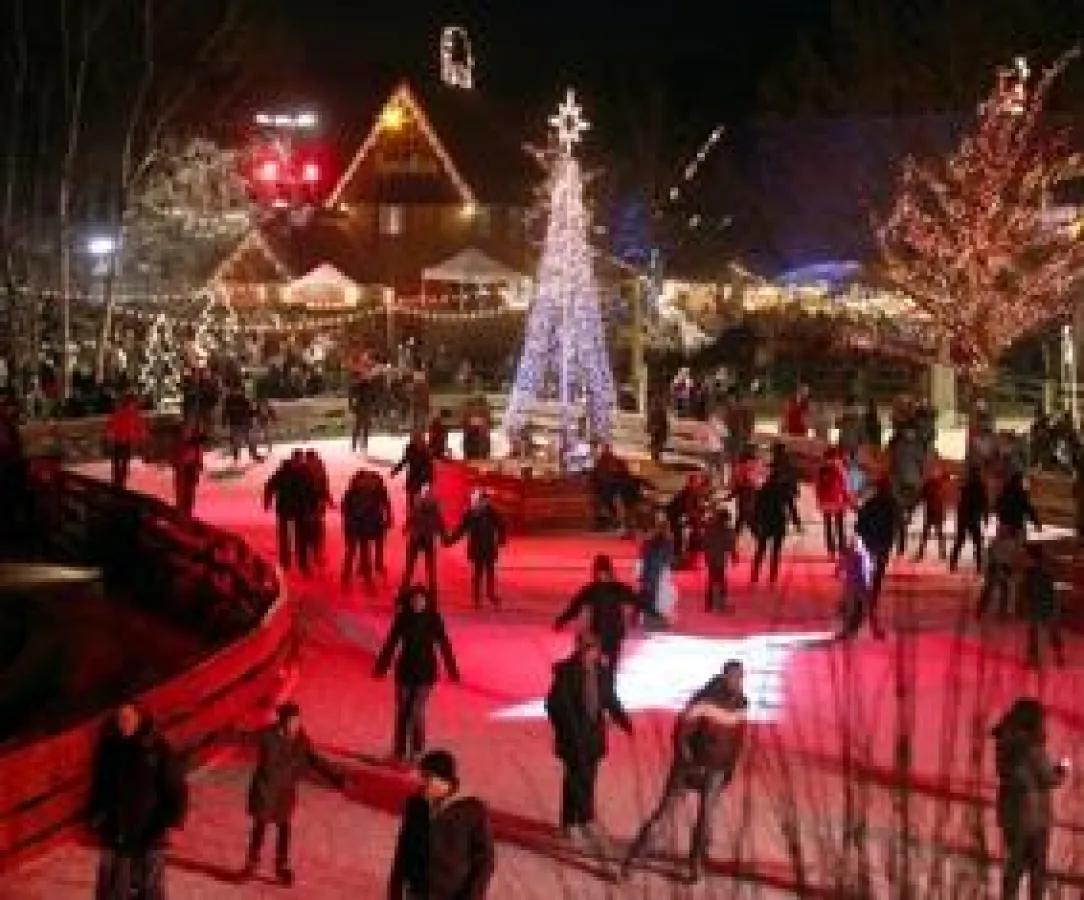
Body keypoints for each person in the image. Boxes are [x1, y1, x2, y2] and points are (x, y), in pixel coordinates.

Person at [620, 660, 748, 885]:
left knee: (706, 819)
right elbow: (681, 734)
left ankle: (696, 864)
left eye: (740, 677)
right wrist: (688, 761)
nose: (737, 681)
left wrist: (729, 769)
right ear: (724, 676)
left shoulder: (741, 703)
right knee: (665, 814)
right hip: (689, 768)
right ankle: (634, 859)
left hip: (717, 770)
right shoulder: (704, 699)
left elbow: (738, 740)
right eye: (733, 677)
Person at [88, 703, 187, 900]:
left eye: (128, 718)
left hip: (149, 831)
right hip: (114, 830)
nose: (123, 723)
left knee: (149, 888)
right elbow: (99, 785)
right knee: (112, 888)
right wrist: (95, 814)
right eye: (120, 718)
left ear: (140, 718)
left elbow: (176, 788)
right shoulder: (109, 748)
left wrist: (169, 821)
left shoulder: (157, 749)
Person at [545, 632, 632, 856]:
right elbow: (555, 705)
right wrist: (567, 730)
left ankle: (584, 818)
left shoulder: (602, 673)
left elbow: (609, 698)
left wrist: (623, 719)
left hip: (593, 737)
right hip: (573, 737)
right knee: (575, 778)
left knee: (588, 778)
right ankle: (572, 822)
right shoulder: (566, 673)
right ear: (578, 649)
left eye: (592, 649)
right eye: (584, 649)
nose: (588, 653)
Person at [241, 703, 347, 885]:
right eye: (292, 721)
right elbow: (243, 738)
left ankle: (282, 864)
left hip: (285, 791)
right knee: (260, 826)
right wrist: (215, 734)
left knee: (284, 827)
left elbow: (314, 759)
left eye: (297, 721)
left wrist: (336, 776)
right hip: (266, 789)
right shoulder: (268, 734)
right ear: (282, 722)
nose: (296, 725)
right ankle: (252, 862)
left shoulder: (300, 739)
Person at [389, 749, 495, 900]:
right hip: (418, 892)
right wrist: (395, 890)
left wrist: (472, 896)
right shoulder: (416, 804)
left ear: (445, 780)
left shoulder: (472, 810)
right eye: (422, 777)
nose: (422, 783)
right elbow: (404, 847)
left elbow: (485, 859)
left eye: (428, 778)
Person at [991, 698, 1069, 900]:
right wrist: (1063, 768)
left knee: (1015, 866)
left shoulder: (1005, 744)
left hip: (1010, 816)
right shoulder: (1031, 748)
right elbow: (1049, 778)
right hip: (1034, 819)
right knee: (1036, 868)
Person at [374, 586, 460, 764]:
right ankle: (399, 751)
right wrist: (381, 667)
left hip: (425, 673)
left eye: (421, 600)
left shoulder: (434, 619)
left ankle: (417, 750)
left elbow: (444, 643)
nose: (417, 603)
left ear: (427, 602)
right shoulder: (402, 618)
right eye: (414, 600)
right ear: (409, 601)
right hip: (404, 672)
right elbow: (391, 642)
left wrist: (452, 670)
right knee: (402, 713)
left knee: (416, 712)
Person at [554, 554, 652, 666]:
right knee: (600, 664)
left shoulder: (618, 588)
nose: (601, 575)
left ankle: (608, 678)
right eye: (598, 572)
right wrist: (562, 620)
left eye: (603, 572)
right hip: (598, 632)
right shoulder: (592, 589)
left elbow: (638, 602)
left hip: (614, 632)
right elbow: (575, 606)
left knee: (611, 664)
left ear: (609, 572)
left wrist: (656, 614)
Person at [854, 478, 899, 639]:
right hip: (881, 546)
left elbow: (859, 524)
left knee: (865, 577)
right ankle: (871, 603)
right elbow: (895, 525)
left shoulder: (871, 502)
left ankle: (862, 605)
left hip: (869, 544)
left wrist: (861, 539)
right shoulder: (892, 504)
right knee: (876, 576)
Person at [447, 489, 506, 608]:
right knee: (478, 573)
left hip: (489, 547)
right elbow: (461, 529)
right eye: (483, 500)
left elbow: (501, 526)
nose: (485, 502)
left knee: (490, 572)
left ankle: (490, 594)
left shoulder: (492, 512)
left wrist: (501, 540)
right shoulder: (470, 514)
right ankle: (477, 597)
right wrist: (450, 540)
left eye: (486, 500)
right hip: (477, 547)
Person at [264, 450, 318, 575]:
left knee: (301, 537)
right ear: (293, 459)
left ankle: (302, 563)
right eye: (296, 459)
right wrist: (267, 501)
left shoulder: (305, 472)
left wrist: (312, 507)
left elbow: (311, 491)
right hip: (285, 508)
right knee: (284, 537)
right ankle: (285, 561)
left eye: (300, 460)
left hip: (300, 509)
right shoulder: (283, 471)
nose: (298, 462)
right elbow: (270, 485)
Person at [340, 467, 392, 593]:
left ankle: (367, 580)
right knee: (351, 553)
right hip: (354, 527)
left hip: (363, 528)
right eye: (364, 480)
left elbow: (378, 509)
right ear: (357, 481)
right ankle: (346, 578)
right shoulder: (351, 493)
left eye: (368, 480)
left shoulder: (371, 494)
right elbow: (345, 510)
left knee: (364, 553)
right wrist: (351, 519)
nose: (366, 483)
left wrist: (382, 521)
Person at [750, 463, 798, 587]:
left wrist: (755, 523)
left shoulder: (763, 489)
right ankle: (772, 576)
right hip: (779, 522)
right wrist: (796, 522)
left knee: (761, 549)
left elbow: (756, 507)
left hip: (766, 522)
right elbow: (791, 507)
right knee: (775, 551)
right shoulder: (784, 490)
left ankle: (755, 574)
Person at [1022, 545, 1064, 669]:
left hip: (1046, 606)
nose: (1024, 560)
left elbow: (1054, 592)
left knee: (1051, 632)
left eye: (1026, 557)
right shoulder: (1029, 573)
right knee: (1033, 633)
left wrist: (1055, 609)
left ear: (1033, 559)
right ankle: (1033, 658)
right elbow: (1027, 591)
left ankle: (1058, 655)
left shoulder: (1045, 574)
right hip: (1035, 606)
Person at [400, 483, 446, 596]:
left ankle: (428, 588)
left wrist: (443, 534)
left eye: (427, 491)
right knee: (416, 565)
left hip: (422, 537)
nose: (426, 493)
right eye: (424, 490)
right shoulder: (422, 503)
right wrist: (406, 527)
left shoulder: (426, 503)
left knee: (422, 565)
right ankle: (408, 587)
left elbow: (438, 520)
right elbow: (412, 516)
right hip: (420, 537)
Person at [950, 464, 989, 573]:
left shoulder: (967, 486)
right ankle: (978, 566)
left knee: (961, 541)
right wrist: (985, 516)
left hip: (966, 517)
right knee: (976, 543)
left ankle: (954, 563)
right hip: (972, 518)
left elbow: (961, 502)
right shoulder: (979, 487)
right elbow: (984, 503)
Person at [638, 514, 676, 621]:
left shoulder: (653, 538)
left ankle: (649, 612)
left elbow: (644, 553)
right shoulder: (665, 540)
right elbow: (667, 556)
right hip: (657, 569)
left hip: (652, 569)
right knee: (657, 592)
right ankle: (653, 613)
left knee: (651, 591)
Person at [104, 393, 147, 488]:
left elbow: (139, 426)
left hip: (125, 440)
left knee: (122, 461)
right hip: (120, 440)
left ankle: (119, 480)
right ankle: (118, 480)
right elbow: (113, 425)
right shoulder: (123, 413)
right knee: (119, 460)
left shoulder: (132, 414)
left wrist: (141, 435)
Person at [835, 534, 874, 639]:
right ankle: (850, 629)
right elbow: (869, 570)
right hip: (855, 585)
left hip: (855, 585)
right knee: (854, 607)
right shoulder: (862, 554)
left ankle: (850, 629)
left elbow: (839, 568)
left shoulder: (859, 554)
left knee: (852, 607)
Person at [702, 505, 738, 612]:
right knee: (721, 579)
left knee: (712, 579)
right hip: (719, 558)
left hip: (711, 556)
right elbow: (730, 545)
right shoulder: (727, 530)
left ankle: (709, 604)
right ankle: (720, 602)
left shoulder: (709, 528)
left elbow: (704, 543)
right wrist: (733, 555)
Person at [978, 525, 1018, 620]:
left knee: (1002, 591)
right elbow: (990, 556)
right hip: (996, 568)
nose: (1001, 532)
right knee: (992, 590)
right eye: (1000, 531)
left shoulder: (1009, 543)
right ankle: (982, 609)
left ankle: (1000, 612)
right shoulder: (996, 543)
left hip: (1002, 568)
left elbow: (1013, 557)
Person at [815, 446, 848, 558]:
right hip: (838, 500)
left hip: (826, 500)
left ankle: (831, 551)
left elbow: (818, 485)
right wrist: (847, 499)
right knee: (840, 526)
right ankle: (842, 550)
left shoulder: (822, 468)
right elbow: (844, 485)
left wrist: (819, 499)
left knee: (828, 526)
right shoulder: (840, 468)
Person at [914, 460, 948, 562]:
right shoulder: (937, 484)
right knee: (935, 533)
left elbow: (922, 497)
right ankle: (941, 553)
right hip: (934, 512)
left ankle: (924, 553)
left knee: (930, 533)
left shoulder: (933, 484)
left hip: (933, 512)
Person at [303, 449, 333, 566]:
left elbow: (324, 484)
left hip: (316, 503)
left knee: (317, 527)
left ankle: (317, 552)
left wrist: (327, 499)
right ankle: (312, 551)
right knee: (310, 528)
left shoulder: (319, 468)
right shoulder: (303, 470)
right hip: (307, 503)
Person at [392, 430, 435, 512]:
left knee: (418, 495)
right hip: (413, 474)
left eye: (418, 438)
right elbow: (404, 460)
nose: (416, 440)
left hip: (422, 476)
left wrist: (429, 477)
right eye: (414, 438)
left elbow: (429, 465)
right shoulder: (410, 448)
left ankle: (418, 511)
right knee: (411, 494)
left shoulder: (426, 450)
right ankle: (411, 511)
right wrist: (396, 470)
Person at [222, 384, 263, 464]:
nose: (237, 392)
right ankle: (236, 457)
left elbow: (250, 411)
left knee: (249, 440)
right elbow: (226, 411)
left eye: (238, 390)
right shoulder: (229, 400)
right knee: (236, 441)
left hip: (244, 422)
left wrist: (253, 418)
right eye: (235, 390)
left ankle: (254, 455)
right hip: (234, 423)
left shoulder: (244, 400)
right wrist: (224, 421)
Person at [996, 471, 1041, 541]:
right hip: (1013, 524)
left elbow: (999, 506)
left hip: (1009, 523)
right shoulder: (1019, 494)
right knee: (1016, 545)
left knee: (1010, 545)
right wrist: (1035, 521)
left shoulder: (1006, 492)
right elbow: (1027, 508)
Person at [172, 424, 203, 518]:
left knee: (188, 492)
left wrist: (197, 469)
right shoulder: (181, 445)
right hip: (184, 468)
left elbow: (198, 460)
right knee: (184, 492)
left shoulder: (195, 446)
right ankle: (183, 512)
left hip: (189, 468)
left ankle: (186, 512)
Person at [647, 393, 669, 464]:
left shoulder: (661, 412)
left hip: (659, 430)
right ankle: (654, 458)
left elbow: (664, 422)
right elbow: (650, 421)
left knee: (658, 445)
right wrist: (650, 428)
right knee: (655, 444)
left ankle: (656, 458)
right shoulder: (654, 411)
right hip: (656, 430)